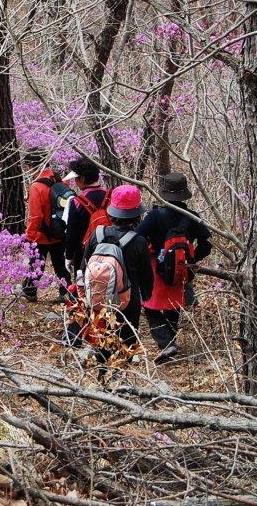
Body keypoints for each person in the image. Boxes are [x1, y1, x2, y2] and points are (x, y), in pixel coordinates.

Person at [78, 185, 154, 377]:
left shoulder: (97, 234)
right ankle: (119, 379)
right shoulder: (139, 241)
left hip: (98, 297)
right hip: (128, 300)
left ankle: (103, 374)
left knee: (102, 337)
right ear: (137, 214)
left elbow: (83, 265)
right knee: (126, 341)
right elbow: (146, 276)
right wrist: (147, 295)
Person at [136, 172, 212, 362]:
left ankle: (166, 343)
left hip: (156, 267)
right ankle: (169, 340)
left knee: (150, 306)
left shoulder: (154, 216)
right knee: (173, 304)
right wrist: (190, 260)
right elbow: (206, 244)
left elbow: (137, 237)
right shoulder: (192, 217)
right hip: (181, 267)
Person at [23, 149, 72, 302]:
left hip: (42, 234)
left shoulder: (36, 186)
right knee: (60, 264)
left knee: (36, 264)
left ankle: (30, 291)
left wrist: (30, 236)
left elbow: (35, 216)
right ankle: (67, 291)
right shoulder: (62, 180)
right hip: (60, 231)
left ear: (32, 165)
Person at [62, 157, 110, 279]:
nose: (75, 182)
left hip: (84, 253)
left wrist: (69, 256)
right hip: (111, 249)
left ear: (82, 178)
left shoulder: (76, 202)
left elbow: (72, 233)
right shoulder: (112, 196)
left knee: (85, 287)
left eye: (76, 179)